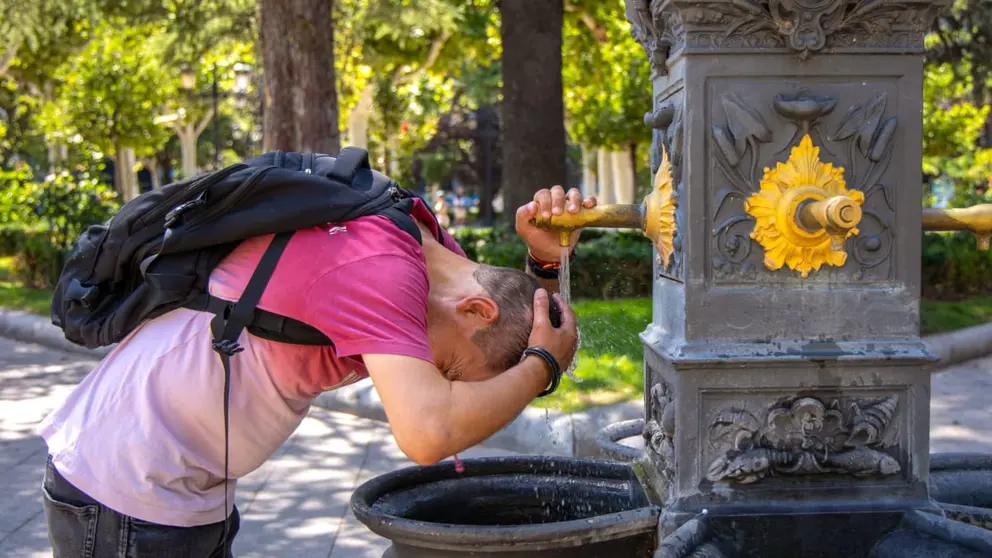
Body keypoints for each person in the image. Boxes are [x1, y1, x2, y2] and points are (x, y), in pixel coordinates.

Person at [37, 183, 597, 557]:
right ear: (476, 310)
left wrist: (543, 266)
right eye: (450, 370)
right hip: (125, 489)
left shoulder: (428, 252)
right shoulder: (381, 269)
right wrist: (542, 366)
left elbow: (513, 326)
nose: (438, 381)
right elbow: (430, 433)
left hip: (183, 486)